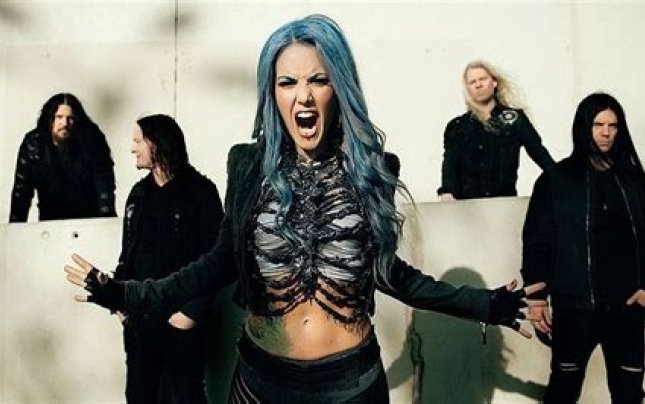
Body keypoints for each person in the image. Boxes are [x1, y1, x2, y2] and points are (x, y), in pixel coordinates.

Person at [65, 15, 543, 403]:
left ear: (340, 89)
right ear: (272, 93)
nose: (304, 95)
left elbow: (393, 275)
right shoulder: (248, 165)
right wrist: (128, 294)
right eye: (288, 82)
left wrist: (487, 304)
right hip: (261, 384)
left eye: (319, 80)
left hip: (351, 383)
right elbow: (218, 263)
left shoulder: (372, 169)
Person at [521, 92, 645, 403]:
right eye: (598, 124)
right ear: (584, 127)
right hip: (575, 308)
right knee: (563, 391)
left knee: (629, 394)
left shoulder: (633, 179)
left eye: (613, 126)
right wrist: (536, 298)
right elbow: (536, 241)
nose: (606, 133)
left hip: (627, 309)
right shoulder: (556, 179)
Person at [113, 114, 224, 403]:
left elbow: (217, 258)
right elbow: (127, 255)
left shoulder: (201, 191)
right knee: (139, 397)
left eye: (138, 141)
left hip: (181, 322)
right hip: (140, 321)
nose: (132, 148)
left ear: (157, 143)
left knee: (186, 397)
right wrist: (121, 303)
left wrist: (191, 313)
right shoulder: (138, 195)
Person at [438, 60, 555, 201]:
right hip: (468, 207)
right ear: (467, 88)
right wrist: (447, 191)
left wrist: (561, 180)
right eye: (472, 82)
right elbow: (450, 163)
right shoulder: (457, 126)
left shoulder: (515, 120)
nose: (478, 84)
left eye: (482, 79)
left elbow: (539, 152)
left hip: (504, 204)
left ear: (494, 82)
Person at [9, 93, 116, 222]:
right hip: (51, 219)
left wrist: (105, 225)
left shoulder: (92, 140)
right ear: (50, 119)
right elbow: (21, 193)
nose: (64, 123)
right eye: (59, 117)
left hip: (88, 218)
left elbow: (104, 186)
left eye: (70, 118)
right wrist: (15, 229)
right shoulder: (34, 144)